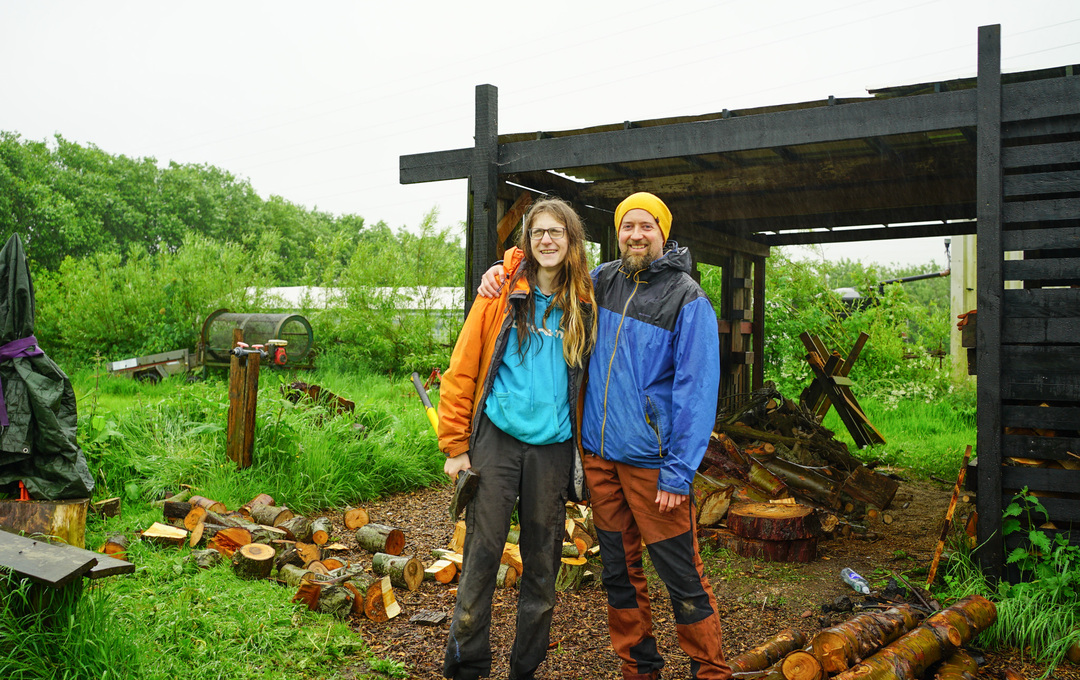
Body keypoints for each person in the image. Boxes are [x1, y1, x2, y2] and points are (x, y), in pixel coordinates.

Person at [479, 192, 730, 680]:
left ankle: (711, 670)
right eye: (627, 226)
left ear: (663, 231)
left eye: (646, 226)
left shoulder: (687, 298)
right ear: (617, 232)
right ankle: (639, 669)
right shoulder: (599, 283)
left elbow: (698, 394)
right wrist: (502, 268)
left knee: (681, 575)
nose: (636, 234)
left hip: (654, 467)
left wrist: (679, 474)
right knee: (618, 572)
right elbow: (544, 277)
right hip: (600, 461)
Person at [439, 197, 597, 680]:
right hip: (497, 442)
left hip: (552, 450)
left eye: (557, 232)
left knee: (543, 565)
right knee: (481, 557)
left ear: (571, 241)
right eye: (537, 233)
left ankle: (524, 669)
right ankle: (468, 666)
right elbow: (462, 369)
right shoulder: (501, 292)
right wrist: (455, 446)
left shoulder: (586, 302)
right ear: (526, 242)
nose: (546, 240)